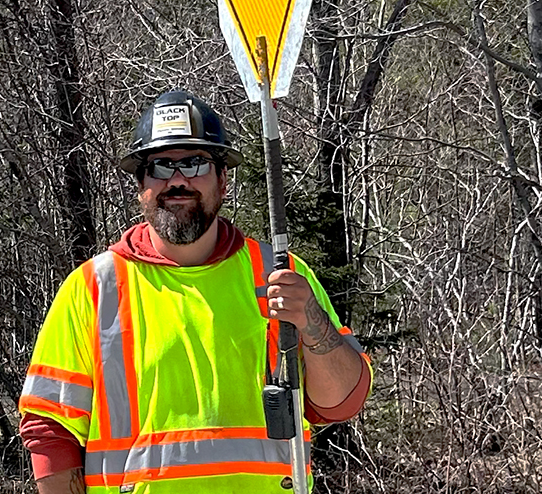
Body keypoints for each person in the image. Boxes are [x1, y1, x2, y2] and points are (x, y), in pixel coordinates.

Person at [19, 89, 372, 493]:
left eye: (194, 162)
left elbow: (342, 402)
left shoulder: (278, 272)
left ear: (223, 181)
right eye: (161, 166)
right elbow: (50, 429)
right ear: (141, 186)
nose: (178, 180)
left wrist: (311, 321)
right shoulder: (94, 288)